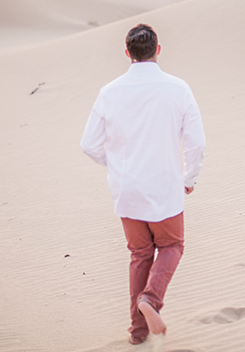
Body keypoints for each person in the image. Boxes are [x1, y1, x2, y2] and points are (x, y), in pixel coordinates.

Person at [81, 23, 205, 345]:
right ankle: (151, 299)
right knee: (172, 246)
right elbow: (196, 143)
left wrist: (119, 167)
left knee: (139, 254)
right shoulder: (178, 88)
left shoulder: (109, 92)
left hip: (127, 189)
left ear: (127, 54)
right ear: (158, 50)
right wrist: (189, 178)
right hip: (165, 186)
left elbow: (89, 144)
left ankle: (137, 332)